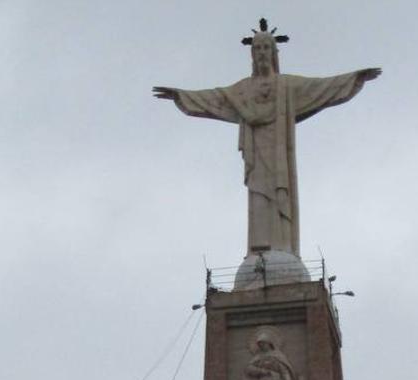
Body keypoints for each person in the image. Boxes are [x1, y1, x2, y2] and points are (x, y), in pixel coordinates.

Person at [153, 20, 380, 258]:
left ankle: (281, 250)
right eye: (257, 48)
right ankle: (259, 252)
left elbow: (320, 88)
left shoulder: (286, 86)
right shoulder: (242, 91)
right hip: (257, 157)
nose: (261, 53)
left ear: (273, 53)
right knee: (258, 196)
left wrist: (354, 78)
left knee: (280, 196)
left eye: (265, 48)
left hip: (279, 156)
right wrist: (181, 95)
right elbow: (215, 98)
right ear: (252, 54)